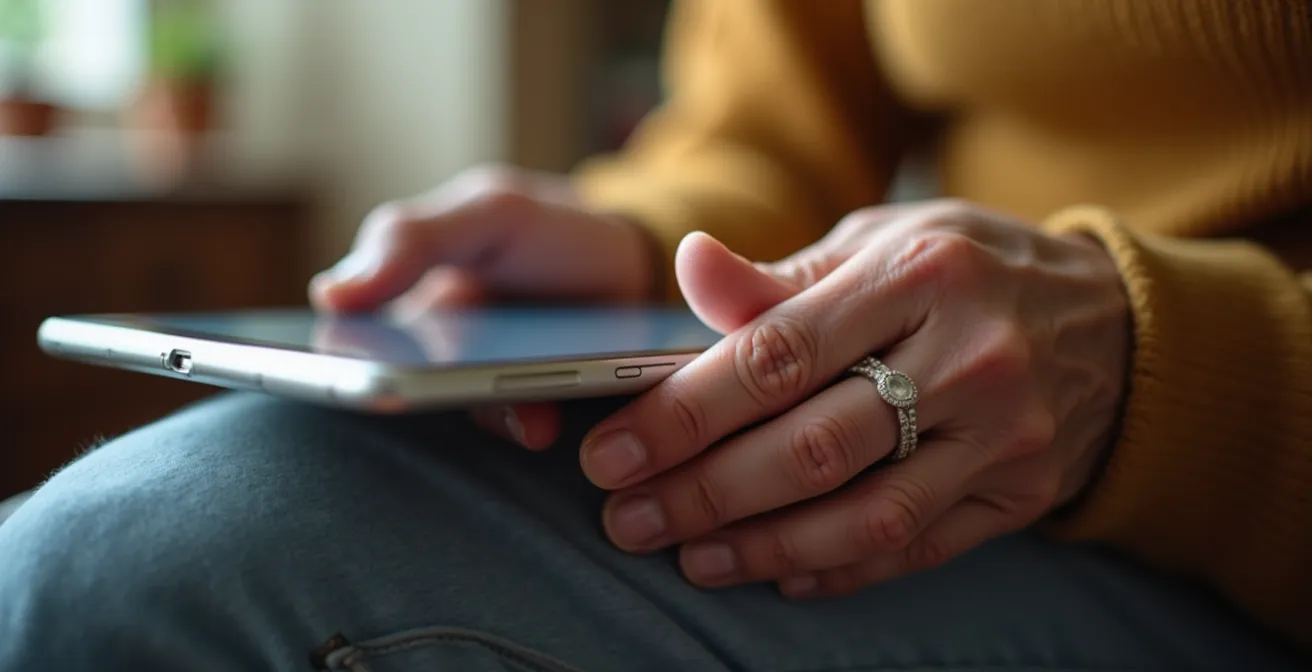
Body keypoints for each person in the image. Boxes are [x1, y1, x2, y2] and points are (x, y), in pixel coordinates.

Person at [2, 1, 1309, 669]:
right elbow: (766, 134)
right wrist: (636, 244)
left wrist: (1173, 372)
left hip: (1238, 543)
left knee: (132, 569)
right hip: (950, 420)